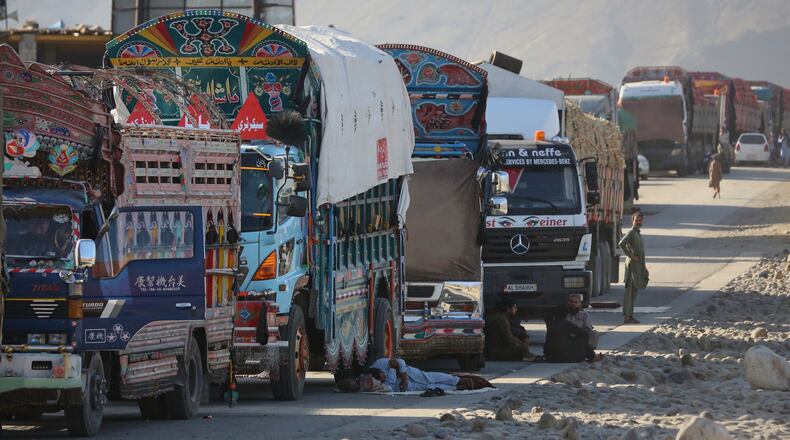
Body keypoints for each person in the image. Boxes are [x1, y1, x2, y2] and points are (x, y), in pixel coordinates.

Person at [336, 358, 494, 393]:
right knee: (436, 388)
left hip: (412, 375)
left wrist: (403, 377)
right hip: (408, 387)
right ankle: (463, 386)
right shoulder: (369, 383)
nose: (384, 378)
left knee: (439, 378)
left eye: (384, 376)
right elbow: (385, 389)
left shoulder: (380, 364)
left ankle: (466, 380)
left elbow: (399, 362)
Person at [618, 210, 648, 324]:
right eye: (636, 220)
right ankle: (627, 317)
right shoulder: (631, 232)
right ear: (632, 221)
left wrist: (644, 268)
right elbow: (621, 243)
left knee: (634, 292)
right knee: (630, 292)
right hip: (632, 267)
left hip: (638, 267)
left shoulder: (637, 233)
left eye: (640, 220)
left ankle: (630, 315)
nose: (638, 222)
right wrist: (631, 256)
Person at [565, 293, 602, 362]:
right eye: (571, 302)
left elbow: (588, 328)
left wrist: (580, 333)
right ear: (568, 302)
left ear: (580, 304)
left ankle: (589, 353)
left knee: (594, 334)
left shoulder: (584, 314)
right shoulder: (563, 314)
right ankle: (591, 356)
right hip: (567, 338)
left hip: (580, 336)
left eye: (576, 302)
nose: (573, 304)